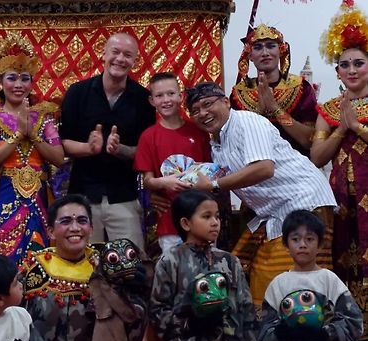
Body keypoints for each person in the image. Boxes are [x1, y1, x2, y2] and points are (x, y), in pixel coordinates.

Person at [186, 82, 337, 311]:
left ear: (226, 102)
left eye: (207, 104)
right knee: (242, 269)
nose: (203, 114)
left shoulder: (247, 122)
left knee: (293, 285)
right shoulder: (216, 143)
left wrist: (214, 185)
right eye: (195, 111)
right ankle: (267, 339)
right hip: (272, 214)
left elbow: (264, 168)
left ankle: (303, 339)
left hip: (304, 202)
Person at [22, 194, 150, 341]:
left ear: (91, 228)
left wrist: (135, 291)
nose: (75, 227)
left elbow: (133, 319)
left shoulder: (108, 264)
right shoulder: (31, 270)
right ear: (50, 230)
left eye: (82, 221)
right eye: (65, 221)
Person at [150, 189, 256, 341]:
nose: (215, 222)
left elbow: (245, 306)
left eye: (217, 216)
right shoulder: (171, 261)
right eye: (206, 217)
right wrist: (188, 322)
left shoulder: (230, 261)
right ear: (186, 223)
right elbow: (158, 310)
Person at [0, 33, 64, 263]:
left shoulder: (43, 116)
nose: (19, 85)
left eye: (25, 78)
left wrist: (32, 135)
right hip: (4, 194)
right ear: (0, 83)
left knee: (38, 255)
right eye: (12, 78)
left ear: (32, 83)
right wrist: (17, 136)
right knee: (2, 258)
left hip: (38, 196)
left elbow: (59, 158)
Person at [311, 0, 368, 341]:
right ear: (336, 71)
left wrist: (356, 128)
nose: (351, 70)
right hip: (341, 199)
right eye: (344, 64)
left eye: (359, 63)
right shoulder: (329, 108)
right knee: (344, 262)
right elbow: (317, 156)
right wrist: (339, 128)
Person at [59, 32, 156, 250]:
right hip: (83, 195)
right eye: (116, 52)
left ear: (135, 61)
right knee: (82, 266)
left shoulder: (142, 99)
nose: (120, 59)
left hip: (123, 196)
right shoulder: (78, 93)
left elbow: (145, 150)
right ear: (103, 54)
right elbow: (63, 143)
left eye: (128, 55)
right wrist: (88, 148)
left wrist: (120, 149)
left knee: (130, 266)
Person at [259, 210, 362, 341]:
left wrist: (325, 333)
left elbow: (354, 323)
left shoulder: (329, 280)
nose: (303, 245)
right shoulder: (278, 284)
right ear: (286, 244)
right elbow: (264, 331)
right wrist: (282, 334)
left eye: (310, 239)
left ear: (320, 244)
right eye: (296, 239)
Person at [134, 72, 212, 255]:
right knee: (173, 273)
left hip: (202, 217)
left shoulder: (198, 131)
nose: (166, 100)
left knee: (206, 272)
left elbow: (210, 171)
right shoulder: (148, 137)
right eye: (159, 96)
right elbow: (148, 180)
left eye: (170, 93)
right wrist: (164, 182)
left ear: (180, 96)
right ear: (152, 100)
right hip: (169, 222)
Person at [231, 24, 317, 156]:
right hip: (255, 170)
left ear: (281, 50)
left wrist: (275, 109)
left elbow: (310, 141)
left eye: (271, 46)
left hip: (296, 168)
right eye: (258, 47)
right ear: (249, 55)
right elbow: (236, 144)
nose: (265, 53)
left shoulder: (300, 88)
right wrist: (259, 112)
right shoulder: (240, 93)